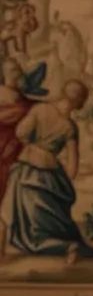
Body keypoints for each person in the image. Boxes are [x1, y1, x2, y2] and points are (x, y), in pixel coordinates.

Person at [0, 79, 93, 264]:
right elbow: (73, 165)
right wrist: (62, 184)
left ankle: (65, 247)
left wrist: (33, 146)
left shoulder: (40, 109)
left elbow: (21, 132)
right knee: (48, 225)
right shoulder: (70, 127)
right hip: (50, 175)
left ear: (63, 92)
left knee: (26, 231)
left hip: (26, 172)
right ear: (80, 103)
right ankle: (67, 245)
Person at [0, 57, 31, 206]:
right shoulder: (2, 94)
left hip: (15, 147)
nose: (17, 72)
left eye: (18, 68)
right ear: (4, 73)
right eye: (13, 69)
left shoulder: (20, 96)